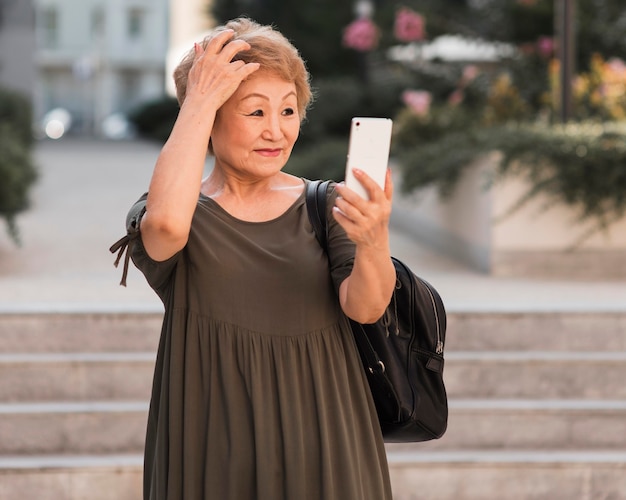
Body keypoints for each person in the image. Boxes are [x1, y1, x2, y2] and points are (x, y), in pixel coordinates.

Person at [111, 17, 396, 500]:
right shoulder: (171, 210)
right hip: (211, 442)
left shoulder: (325, 205)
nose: (276, 131)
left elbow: (366, 308)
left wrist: (373, 239)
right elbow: (163, 231)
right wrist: (198, 98)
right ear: (210, 116)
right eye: (254, 112)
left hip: (325, 439)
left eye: (288, 111)